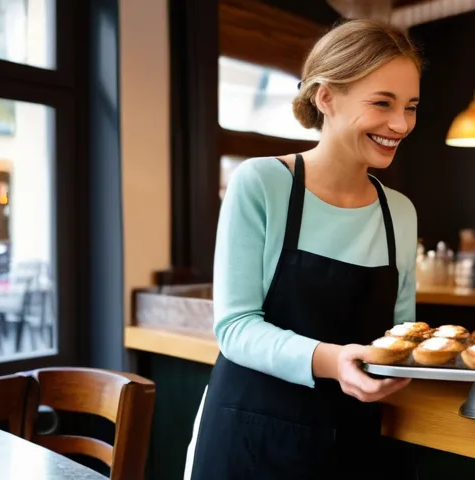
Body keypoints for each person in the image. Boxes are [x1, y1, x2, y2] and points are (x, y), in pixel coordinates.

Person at [185, 19, 422, 479]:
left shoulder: (400, 212)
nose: (400, 124)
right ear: (326, 97)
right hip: (250, 440)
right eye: (382, 103)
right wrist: (334, 361)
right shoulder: (263, 183)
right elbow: (234, 327)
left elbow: (402, 335)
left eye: (411, 107)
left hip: (352, 443)